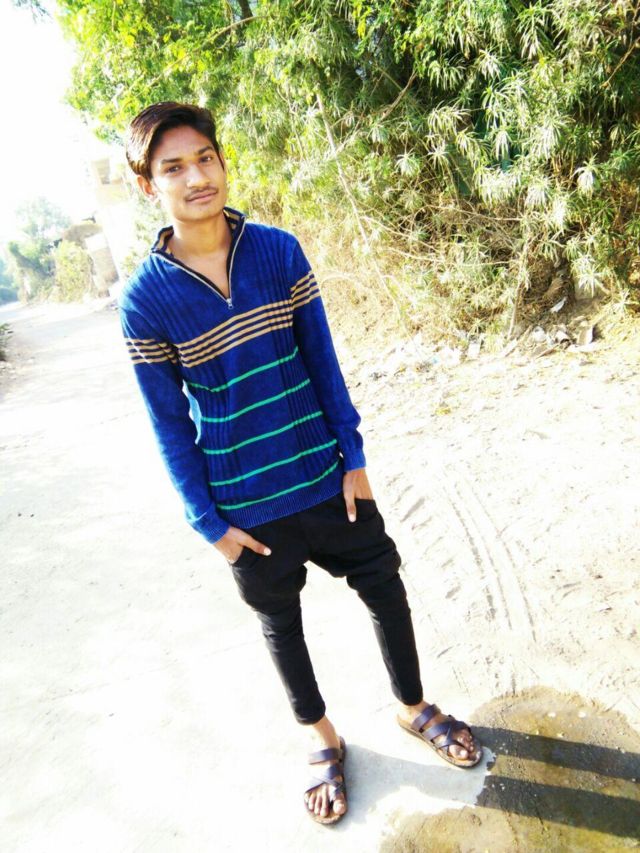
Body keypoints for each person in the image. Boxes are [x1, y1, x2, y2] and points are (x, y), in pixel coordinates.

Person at [120, 101, 482, 825]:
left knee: (385, 587)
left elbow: (323, 359)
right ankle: (321, 738)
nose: (196, 177)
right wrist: (209, 524)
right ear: (147, 185)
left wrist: (354, 457)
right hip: (246, 508)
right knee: (281, 626)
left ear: (222, 162)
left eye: (205, 158)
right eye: (174, 167)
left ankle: (413, 706)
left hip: (325, 475)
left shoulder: (279, 252)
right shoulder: (144, 301)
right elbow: (168, 425)